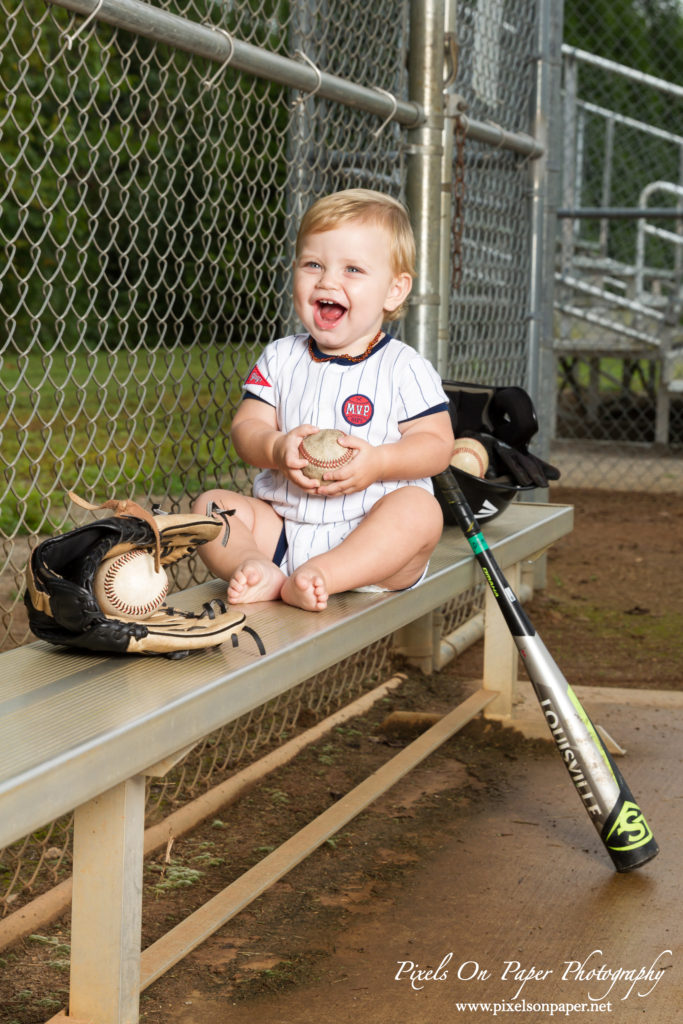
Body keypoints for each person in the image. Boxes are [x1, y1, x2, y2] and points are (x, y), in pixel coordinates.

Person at [192, 188, 454, 611]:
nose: (328, 281)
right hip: (283, 529)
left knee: (421, 512)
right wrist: (276, 447)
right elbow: (246, 428)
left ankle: (325, 575)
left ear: (394, 290)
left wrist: (380, 463)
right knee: (211, 506)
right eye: (313, 264)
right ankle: (258, 567)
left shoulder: (403, 366)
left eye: (353, 269)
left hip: (373, 544)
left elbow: (438, 445)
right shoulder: (280, 356)